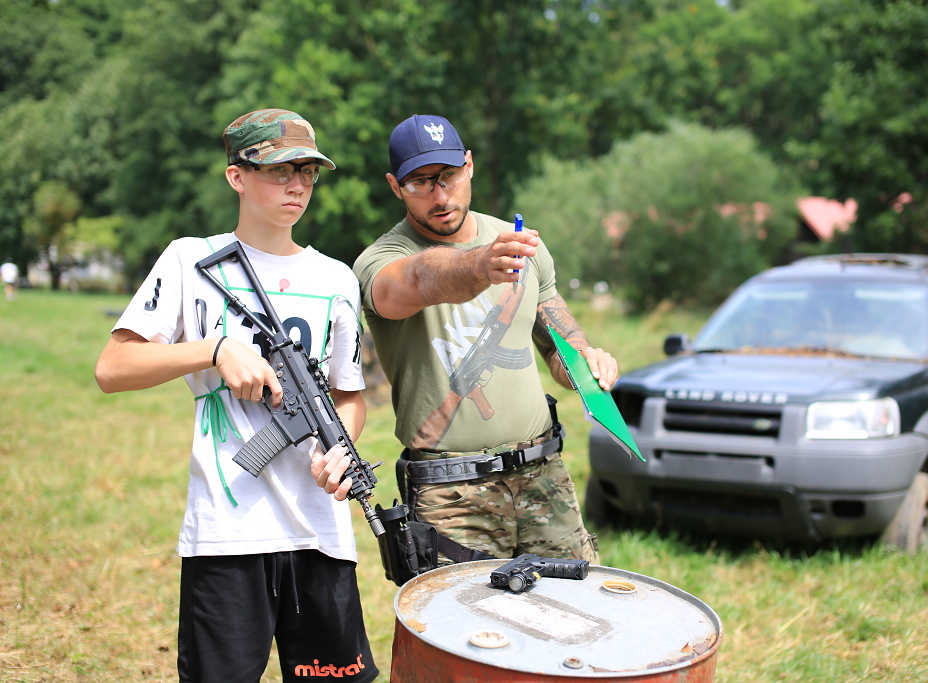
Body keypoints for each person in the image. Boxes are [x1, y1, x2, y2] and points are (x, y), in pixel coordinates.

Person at [94, 109, 378, 683]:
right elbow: (113, 367)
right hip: (225, 534)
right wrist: (215, 350)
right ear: (236, 177)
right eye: (280, 170)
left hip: (321, 533)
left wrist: (340, 451)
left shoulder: (336, 279)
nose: (297, 185)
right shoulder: (189, 260)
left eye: (307, 172)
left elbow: (349, 397)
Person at [352, 114, 619, 564]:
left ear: (470, 165)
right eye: (420, 183)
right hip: (451, 493)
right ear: (395, 187)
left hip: (543, 475)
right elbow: (417, 280)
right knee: (463, 611)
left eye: (448, 176)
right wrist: (479, 265)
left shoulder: (522, 246)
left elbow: (559, 346)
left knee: (576, 601)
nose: (440, 195)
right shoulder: (381, 259)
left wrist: (588, 364)